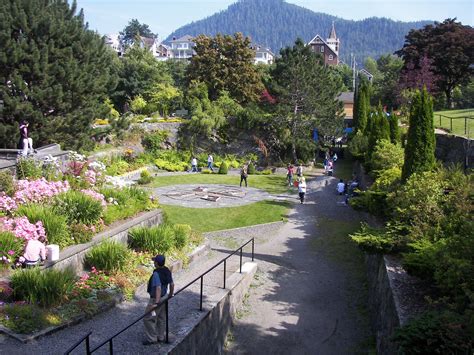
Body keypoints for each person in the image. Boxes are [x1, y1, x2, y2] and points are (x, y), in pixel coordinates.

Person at [143, 254, 174, 345]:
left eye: (154, 261)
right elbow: (172, 284)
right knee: (161, 317)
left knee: (148, 318)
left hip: (157, 299)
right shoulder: (167, 270)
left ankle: (152, 338)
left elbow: (158, 288)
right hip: (165, 297)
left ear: (156, 263)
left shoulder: (156, 274)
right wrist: (170, 295)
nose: (153, 262)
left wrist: (156, 302)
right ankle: (161, 336)